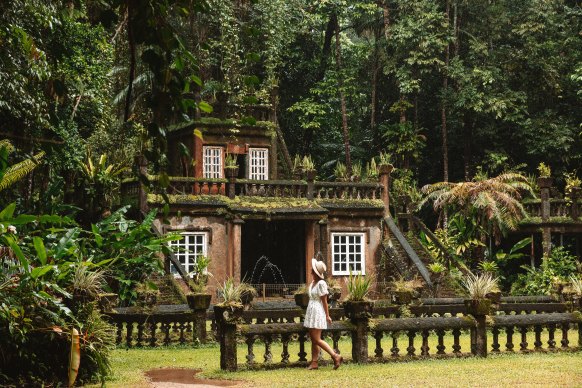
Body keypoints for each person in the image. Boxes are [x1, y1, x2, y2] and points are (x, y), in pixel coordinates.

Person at [303, 258, 343, 370]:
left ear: (315, 271)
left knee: (316, 339)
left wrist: (327, 315)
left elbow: (325, 301)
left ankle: (335, 356)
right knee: (313, 339)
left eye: (312, 269)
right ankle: (314, 362)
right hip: (311, 311)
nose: (311, 270)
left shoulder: (321, 283)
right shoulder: (313, 283)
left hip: (317, 311)